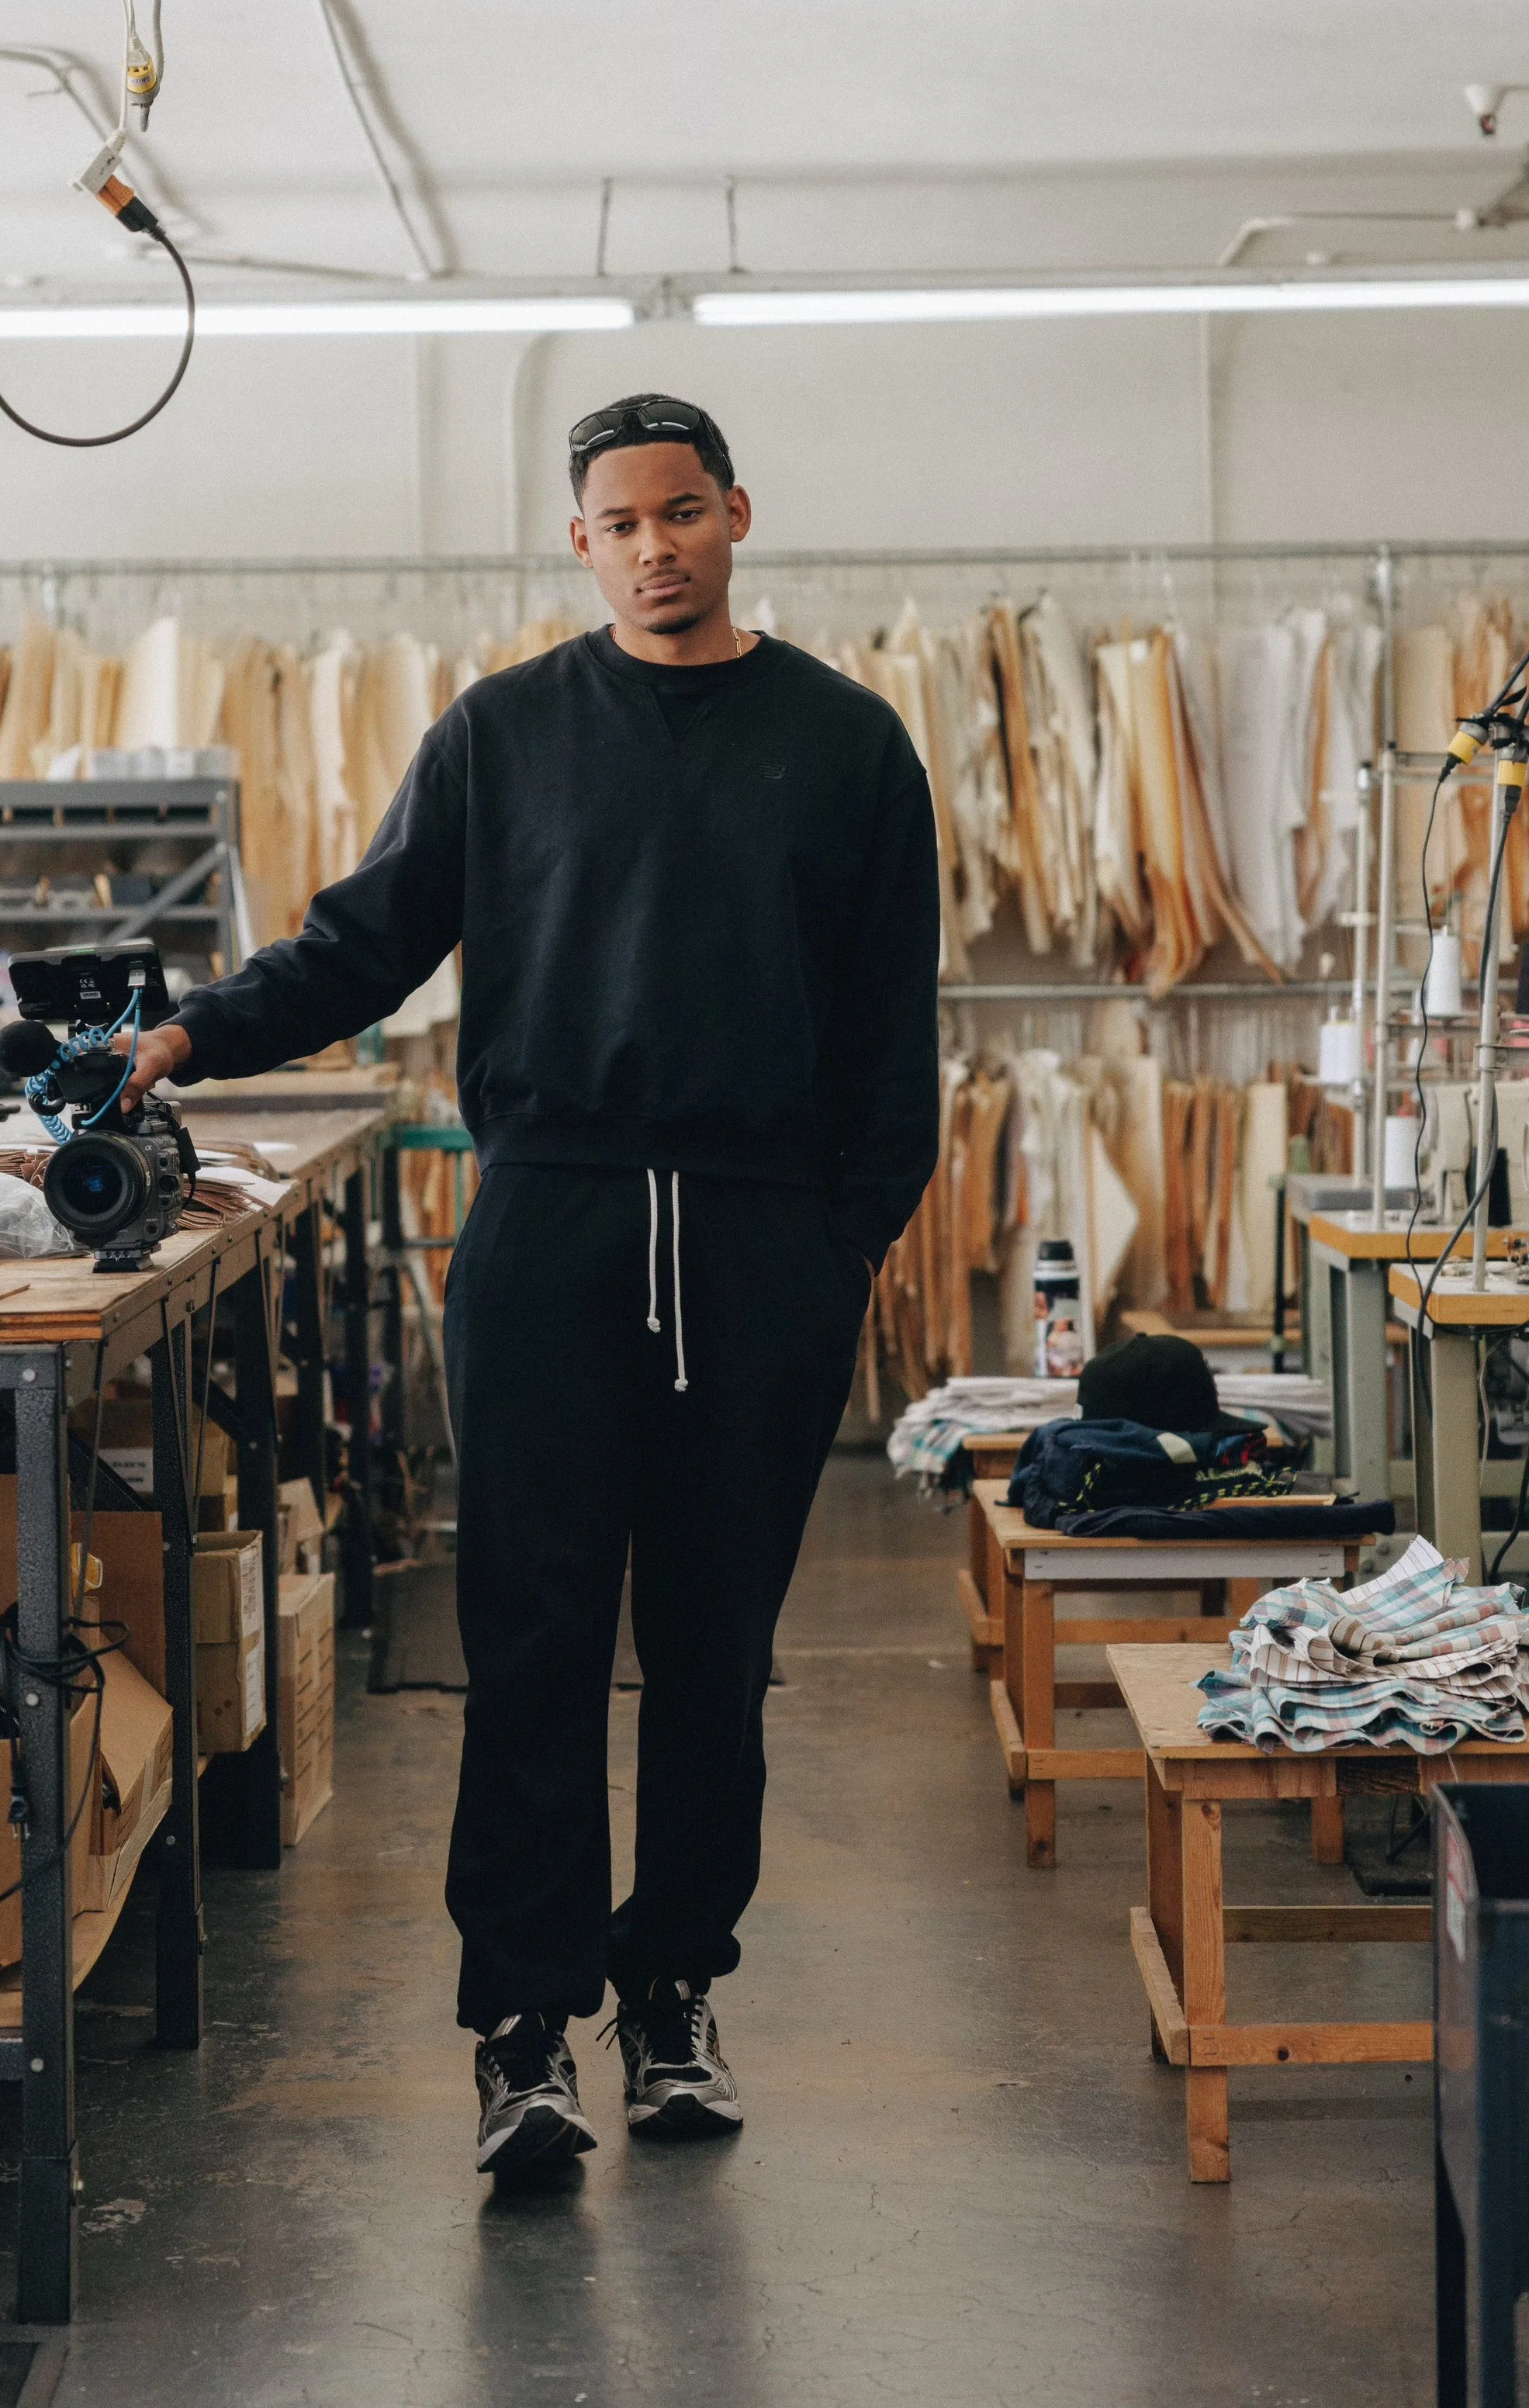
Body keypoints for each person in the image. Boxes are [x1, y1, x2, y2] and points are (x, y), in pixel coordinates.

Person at [124, 393, 941, 2175]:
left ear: (737, 512)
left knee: (715, 1651)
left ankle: (668, 1996)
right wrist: (187, 1032)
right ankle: (519, 2024)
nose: (653, 544)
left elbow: (894, 1039)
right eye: (616, 521)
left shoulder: (849, 746)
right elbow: (362, 939)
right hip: (553, 1224)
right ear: (577, 544)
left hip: (753, 1243)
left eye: (680, 510)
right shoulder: (502, 736)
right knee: (532, 1645)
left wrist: (832, 1250)